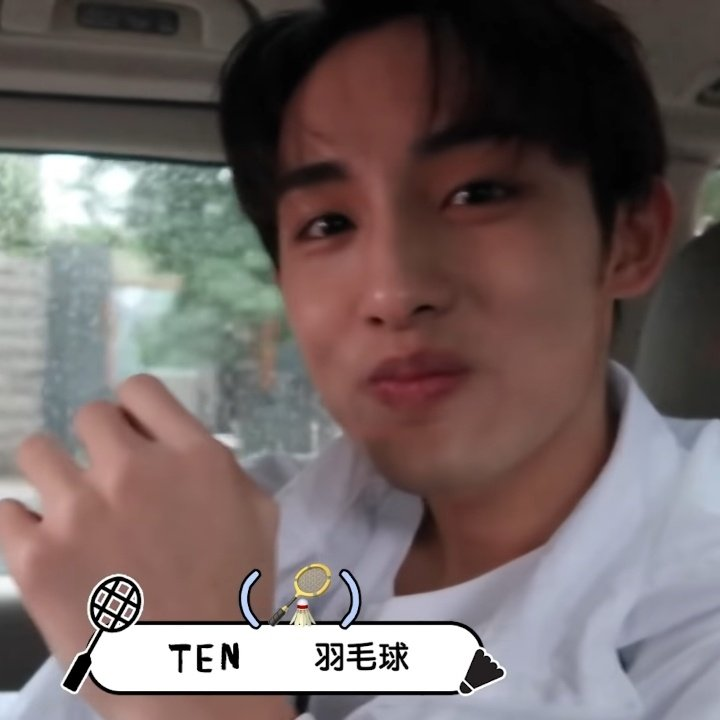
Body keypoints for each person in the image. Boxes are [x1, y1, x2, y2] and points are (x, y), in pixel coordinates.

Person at [1, 0, 719, 718]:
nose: (393, 293)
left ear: (630, 240)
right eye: (328, 224)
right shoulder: (236, 523)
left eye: (477, 194)